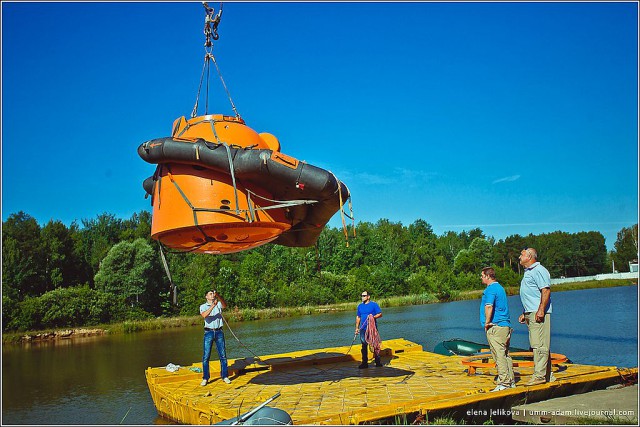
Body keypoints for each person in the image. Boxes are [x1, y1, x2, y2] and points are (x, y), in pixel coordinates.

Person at [518, 247, 555, 386]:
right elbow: (531, 294)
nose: (519, 257)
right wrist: (524, 312)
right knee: (539, 344)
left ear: (529, 256)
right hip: (531, 312)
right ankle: (548, 375)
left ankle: (539, 376)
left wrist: (541, 310)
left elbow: (545, 291)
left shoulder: (539, 270)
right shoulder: (529, 272)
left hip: (538, 313)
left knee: (539, 345)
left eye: (521, 255)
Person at [480, 267, 515, 391]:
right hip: (505, 325)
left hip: (496, 326)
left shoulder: (491, 289)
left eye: (482, 275)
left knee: (498, 354)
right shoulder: (500, 288)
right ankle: (510, 380)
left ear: (488, 276)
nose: (481, 278)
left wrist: (487, 322)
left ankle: (504, 382)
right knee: (505, 354)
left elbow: (489, 306)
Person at [200, 289, 232, 386]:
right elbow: (204, 315)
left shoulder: (218, 304)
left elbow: (225, 305)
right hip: (208, 332)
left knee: (223, 355)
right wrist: (212, 306)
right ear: (206, 296)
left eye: (213, 293)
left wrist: (218, 296)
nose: (212, 295)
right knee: (206, 356)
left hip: (219, 331)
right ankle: (205, 378)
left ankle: (225, 376)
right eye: (210, 294)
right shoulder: (203, 306)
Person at [355, 291, 383, 369]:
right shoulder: (360, 306)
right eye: (361, 296)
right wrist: (357, 328)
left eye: (364, 296)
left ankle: (378, 362)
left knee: (375, 344)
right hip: (363, 329)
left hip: (372, 328)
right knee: (364, 345)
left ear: (368, 296)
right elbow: (358, 317)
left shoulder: (374, 305)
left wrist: (372, 317)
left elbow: (380, 314)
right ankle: (364, 363)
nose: (362, 297)